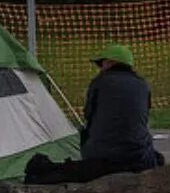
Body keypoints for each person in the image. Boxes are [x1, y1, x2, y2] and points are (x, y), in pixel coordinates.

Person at [24, 43, 162, 184]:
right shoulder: (143, 85)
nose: (100, 69)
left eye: (101, 64)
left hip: (103, 158)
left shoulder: (100, 82)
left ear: (109, 63)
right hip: (140, 159)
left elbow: (89, 115)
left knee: (86, 135)